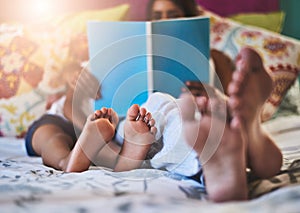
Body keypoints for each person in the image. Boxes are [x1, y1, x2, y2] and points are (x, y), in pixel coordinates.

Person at [25, 61, 157, 172]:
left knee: (96, 149)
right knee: (53, 138)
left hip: (87, 138)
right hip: (58, 122)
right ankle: (63, 162)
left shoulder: (98, 99)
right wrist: (89, 128)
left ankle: (123, 160)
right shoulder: (73, 89)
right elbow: (69, 107)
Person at [146, 0, 235, 95]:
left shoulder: (219, 60)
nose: (163, 22)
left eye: (173, 16)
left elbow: (234, 105)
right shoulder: (143, 60)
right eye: (157, 17)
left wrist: (214, 97)